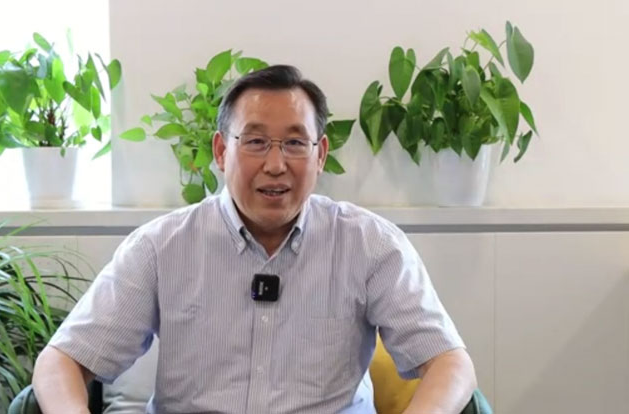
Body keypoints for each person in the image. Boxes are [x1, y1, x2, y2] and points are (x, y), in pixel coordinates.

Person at [32, 65, 477, 414]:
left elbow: (450, 363)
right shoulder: (160, 247)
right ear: (221, 151)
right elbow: (62, 360)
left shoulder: (370, 245)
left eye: (295, 143)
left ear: (320, 155)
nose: (276, 164)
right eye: (256, 142)